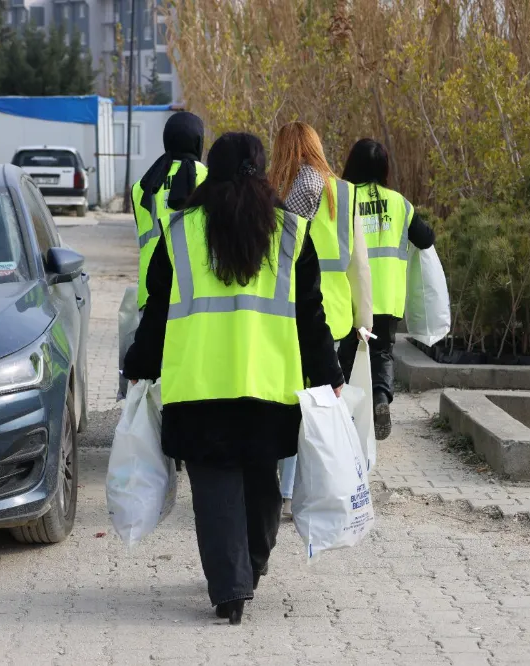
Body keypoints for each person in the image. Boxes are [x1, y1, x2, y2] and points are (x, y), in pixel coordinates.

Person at [122, 132, 344, 625]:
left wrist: (139, 364)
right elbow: (311, 311)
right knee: (262, 484)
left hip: (198, 386)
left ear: (211, 170)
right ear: (263, 172)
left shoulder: (179, 232)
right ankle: (251, 567)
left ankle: (230, 588)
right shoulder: (290, 230)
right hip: (268, 385)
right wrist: (329, 372)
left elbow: (157, 307)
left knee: (215, 487)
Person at [268, 121, 372, 518]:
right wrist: (366, 319)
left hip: (284, 310)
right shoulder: (345, 193)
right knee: (321, 401)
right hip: (335, 315)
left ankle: (283, 484)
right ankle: (309, 486)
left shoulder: (274, 193)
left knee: (291, 396)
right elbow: (359, 265)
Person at [339, 138, 435, 440]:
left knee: (349, 349)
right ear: (383, 168)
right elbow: (426, 238)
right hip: (387, 297)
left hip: (351, 294)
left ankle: (343, 410)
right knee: (381, 352)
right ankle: (380, 398)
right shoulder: (399, 203)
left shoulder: (344, 198)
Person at [131, 111, 208, 310]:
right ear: (198, 141)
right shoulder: (210, 179)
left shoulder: (142, 186)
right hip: (194, 292)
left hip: (149, 293)